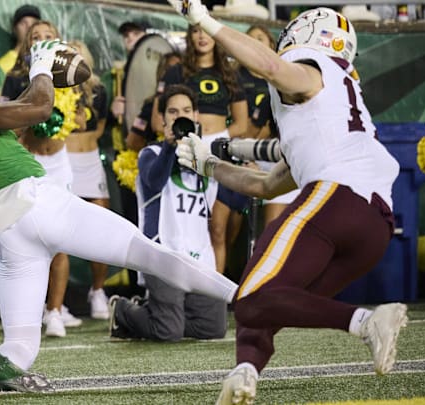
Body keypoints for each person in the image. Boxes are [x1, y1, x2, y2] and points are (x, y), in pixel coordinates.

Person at [0, 32, 237, 392]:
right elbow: (39, 108)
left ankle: (10, 360)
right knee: (149, 254)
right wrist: (42, 68)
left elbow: (0, 134)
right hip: (38, 203)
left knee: (20, 341)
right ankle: (246, 296)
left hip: (5, 226)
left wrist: (32, 100)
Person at [168, 3, 409, 403]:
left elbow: (272, 68)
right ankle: (245, 371)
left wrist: (205, 21)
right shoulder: (335, 101)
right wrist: (209, 165)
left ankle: (366, 321)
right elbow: (268, 184)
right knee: (269, 302)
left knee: (249, 296)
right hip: (372, 224)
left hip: (337, 197)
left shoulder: (309, 63)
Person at [109, 84, 227, 342]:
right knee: (168, 332)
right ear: (162, 119)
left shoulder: (207, 159)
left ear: (196, 116)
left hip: (199, 255)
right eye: (173, 112)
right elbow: (154, 181)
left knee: (214, 328)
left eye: (186, 110)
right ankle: (123, 310)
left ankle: (159, 311)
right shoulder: (150, 154)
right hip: (163, 254)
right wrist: (169, 146)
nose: (179, 116)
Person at [0, 21, 84, 337]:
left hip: (60, 164)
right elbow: (7, 121)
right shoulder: (17, 78)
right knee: (23, 240)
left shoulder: (71, 78)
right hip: (28, 163)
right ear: (28, 45)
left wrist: (63, 116)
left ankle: (56, 311)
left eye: (49, 36)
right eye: (37, 37)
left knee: (60, 240)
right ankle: (26, 312)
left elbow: (82, 119)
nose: (43, 40)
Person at [152, 24, 249, 276]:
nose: (202, 36)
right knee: (191, 225)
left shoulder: (229, 73)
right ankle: (185, 282)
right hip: (182, 153)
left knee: (218, 229)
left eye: (206, 30)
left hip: (218, 153)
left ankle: (214, 289)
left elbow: (242, 123)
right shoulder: (175, 72)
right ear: (189, 36)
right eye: (195, 31)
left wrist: (216, 140)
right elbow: (156, 119)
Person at [64, 40, 111, 320]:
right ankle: (57, 302)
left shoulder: (99, 90)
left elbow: (100, 126)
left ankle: (97, 290)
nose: (75, 56)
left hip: (91, 162)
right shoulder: (56, 88)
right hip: (64, 162)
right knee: (61, 232)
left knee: (101, 228)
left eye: (79, 51)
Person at [239, 24, 300, 227]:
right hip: (275, 166)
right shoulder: (269, 93)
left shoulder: (318, 87)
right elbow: (252, 132)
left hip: (307, 167)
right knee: (272, 234)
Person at [0, 4, 41, 99]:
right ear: (14, 29)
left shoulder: (46, 59)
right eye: (23, 23)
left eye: (34, 23)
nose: (29, 27)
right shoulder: (2, 64)